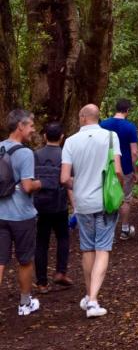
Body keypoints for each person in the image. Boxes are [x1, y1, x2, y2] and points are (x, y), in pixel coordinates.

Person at [61, 104, 123, 318]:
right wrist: (120, 186)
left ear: (82, 117)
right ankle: (93, 301)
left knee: (87, 248)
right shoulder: (110, 137)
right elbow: (117, 170)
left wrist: (77, 185)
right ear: (97, 117)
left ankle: (89, 296)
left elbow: (64, 178)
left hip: (83, 203)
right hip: (105, 201)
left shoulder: (70, 141)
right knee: (103, 249)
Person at [0, 109, 42, 316]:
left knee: (0, 260)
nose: (33, 130)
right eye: (31, 126)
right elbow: (27, 186)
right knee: (25, 259)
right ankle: (25, 303)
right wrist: (39, 183)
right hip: (22, 215)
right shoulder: (25, 153)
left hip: (0, 214)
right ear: (20, 126)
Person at [33, 122, 73, 294]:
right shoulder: (65, 155)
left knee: (41, 242)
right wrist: (74, 204)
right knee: (63, 238)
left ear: (44, 136)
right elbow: (68, 181)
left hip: (40, 204)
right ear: (62, 137)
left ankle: (41, 282)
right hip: (59, 204)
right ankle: (61, 272)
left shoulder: (35, 155)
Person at [101, 99, 138, 240]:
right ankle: (124, 229)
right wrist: (136, 171)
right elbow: (134, 152)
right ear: (127, 110)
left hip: (106, 167)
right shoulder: (130, 127)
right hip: (125, 167)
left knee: (107, 196)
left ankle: (107, 230)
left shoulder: (103, 124)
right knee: (125, 199)